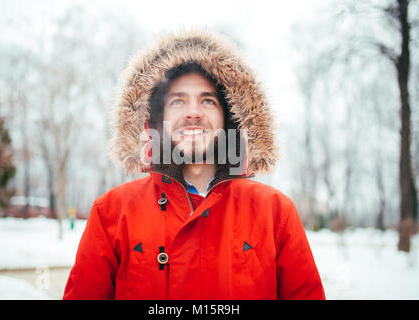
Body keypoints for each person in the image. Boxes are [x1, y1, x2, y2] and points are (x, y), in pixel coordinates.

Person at [63, 30, 325, 300]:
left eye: (207, 100)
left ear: (230, 118)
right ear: (156, 119)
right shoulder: (112, 214)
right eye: (178, 101)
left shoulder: (275, 215)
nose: (193, 112)